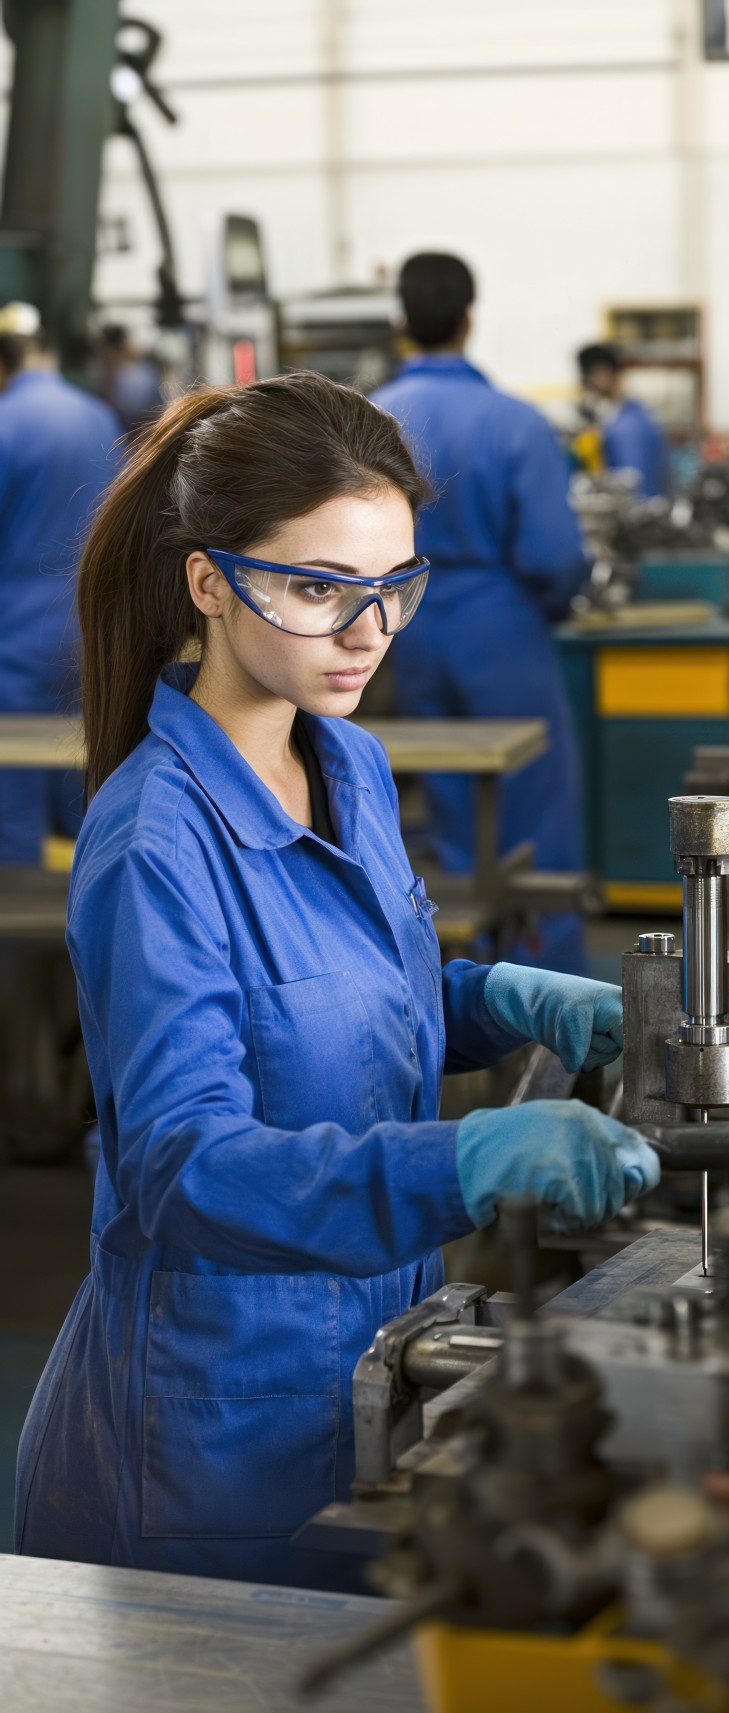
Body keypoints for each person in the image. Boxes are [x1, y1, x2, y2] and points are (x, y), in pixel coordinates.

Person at [15, 372, 660, 1591]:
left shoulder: (348, 762)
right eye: (317, 589)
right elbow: (183, 1167)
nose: (366, 633)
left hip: (379, 1354)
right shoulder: (156, 842)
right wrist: (462, 1162)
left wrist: (504, 998)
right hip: (219, 1424)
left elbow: (349, 1000)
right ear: (208, 582)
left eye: (391, 589)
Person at [373, 253, 589, 976]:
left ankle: (458, 985)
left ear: (401, 322)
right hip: (502, 630)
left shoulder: (369, 421)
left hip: (407, 627)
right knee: (534, 824)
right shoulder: (515, 423)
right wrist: (553, 605)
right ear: (471, 317)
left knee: (450, 816)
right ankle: (549, 998)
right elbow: (554, 557)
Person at [0, 302, 121, 864]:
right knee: (88, 793)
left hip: (16, 642)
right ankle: (93, 940)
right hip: (89, 630)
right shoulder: (97, 415)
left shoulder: (5, 423)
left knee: (13, 806)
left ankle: (19, 950)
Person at [576, 343, 671, 499]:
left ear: (603, 374)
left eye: (589, 381)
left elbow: (632, 488)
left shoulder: (628, 427)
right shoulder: (631, 417)